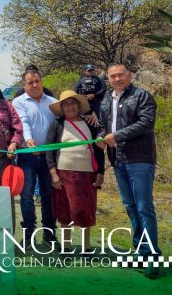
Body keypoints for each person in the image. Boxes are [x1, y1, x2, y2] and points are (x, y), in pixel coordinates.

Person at [97, 63, 160, 279]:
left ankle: (153, 257)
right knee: (131, 207)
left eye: (120, 75)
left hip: (140, 159)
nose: (116, 79)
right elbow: (104, 126)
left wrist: (118, 136)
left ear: (129, 75)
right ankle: (141, 253)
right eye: (112, 76)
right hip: (118, 160)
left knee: (144, 208)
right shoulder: (106, 99)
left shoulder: (142, 96)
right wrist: (101, 137)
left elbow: (146, 123)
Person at [46, 90, 104, 252]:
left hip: (87, 176)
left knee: (86, 211)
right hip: (64, 175)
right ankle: (66, 246)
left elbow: (98, 150)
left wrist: (101, 172)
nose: (70, 107)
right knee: (65, 211)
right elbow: (49, 151)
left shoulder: (90, 124)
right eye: (66, 104)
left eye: (73, 103)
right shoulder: (57, 125)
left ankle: (86, 248)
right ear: (62, 108)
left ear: (79, 106)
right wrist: (53, 174)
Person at [12, 70, 57, 245]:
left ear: (42, 81)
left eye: (37, 81)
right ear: (24, 85)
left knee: (48, 196)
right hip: (27, 156)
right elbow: (23, 122)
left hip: (49, 157)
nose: (34, 85)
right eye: (30, 82)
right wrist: (28, 139)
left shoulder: (53, 103)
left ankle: (49, 233)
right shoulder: (18, 101)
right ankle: (29, 233)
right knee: (26, 195)